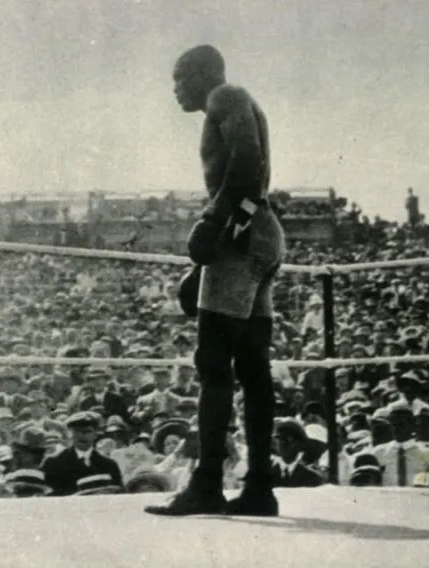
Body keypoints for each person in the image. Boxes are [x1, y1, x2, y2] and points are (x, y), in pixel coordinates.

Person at [149, 45, 286, 517]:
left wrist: (213, 222)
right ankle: (260, 487)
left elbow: (247, 161)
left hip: (245, 233)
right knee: (253, 367)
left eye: (179, 78)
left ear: (203, 74)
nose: (175, 90)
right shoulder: (235, 100)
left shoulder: (225, 96)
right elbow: (256, 179)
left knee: (214, 362)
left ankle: (207, 483)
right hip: (259, 231)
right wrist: (214, 251)